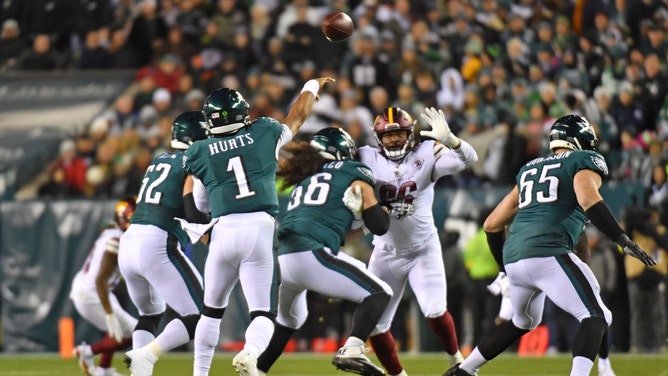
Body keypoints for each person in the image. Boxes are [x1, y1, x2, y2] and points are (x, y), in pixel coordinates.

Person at [445, 114, 657, 376]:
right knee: (596, 316)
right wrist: (621, 238)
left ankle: (464, 370)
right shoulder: (583, 160)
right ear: (581, 140)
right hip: (547, 251)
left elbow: (492, 224)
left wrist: (504, 269)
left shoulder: (530, 168)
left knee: (522, 321)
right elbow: (588, 199)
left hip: (514, 255)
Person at [182, 77, 334, 376]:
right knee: (263, 312)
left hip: (223, 230)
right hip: (259, 228)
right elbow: (298, 116)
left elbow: (199, 206)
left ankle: (200, 374)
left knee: (211, 312)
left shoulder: (198, 151)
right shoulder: (264, 131)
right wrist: (311, 86)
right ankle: (250, 353)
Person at [255, 127, 393, 376]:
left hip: (283, 258)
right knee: (379, 292)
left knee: (290, 321)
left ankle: (257, 369)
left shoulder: (305, 178)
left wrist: (360, 224)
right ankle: (352, 348)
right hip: (311, 255)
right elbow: (380, 227)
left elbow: (336, 235)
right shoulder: (353, 171)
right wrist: (383, 210)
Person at [359, 106, 479, 376]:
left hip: (423, 248)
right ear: (377, 138)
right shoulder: (366, 156)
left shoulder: (426, 152)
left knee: (435, 310)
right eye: (388, 136)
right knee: (376, 324)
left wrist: (451, 140)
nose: (394, 140)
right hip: (385, 251)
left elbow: (468, 159)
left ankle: (456, 359)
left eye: (399, 134)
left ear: (410, 133)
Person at [119, 111, 210, 376]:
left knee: (150, 314)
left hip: (130, 242)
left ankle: (140, 372)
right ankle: (147, 354)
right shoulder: (194, 159)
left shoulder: (160, 159)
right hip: (157, 242)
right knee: (203, 316)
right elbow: (191, 206)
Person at [70, 197, 138, 376]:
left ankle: (104, 369)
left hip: (91, 289)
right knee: (135, 333)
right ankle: (87, 352)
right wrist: (108, 313)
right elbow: (100, 280)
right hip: (92, 293)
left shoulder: (114, 231)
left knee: (119, 330)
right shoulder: (116, 240)